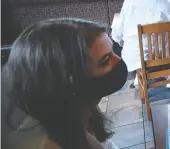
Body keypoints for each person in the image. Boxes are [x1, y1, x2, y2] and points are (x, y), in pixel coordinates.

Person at [2, 18, 127, 149]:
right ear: (70, 79)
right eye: (105, 60)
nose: (118, 61)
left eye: (113, 51)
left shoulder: (78, 109)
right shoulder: (41, 144)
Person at [112, 0, 170, 88]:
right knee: (168, 45)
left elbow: (118, 31)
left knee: (134, 46)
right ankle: (169, 75)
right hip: (162, 55)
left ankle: (140, 74)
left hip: (135, 55)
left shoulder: (129, 2)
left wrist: (118, 39)